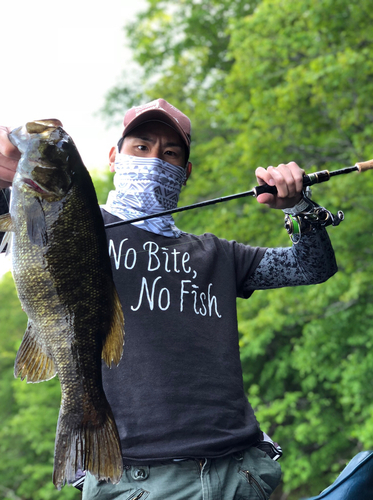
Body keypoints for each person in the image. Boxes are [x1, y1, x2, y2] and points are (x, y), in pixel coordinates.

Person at [0, 99, 337, 499]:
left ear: (186, 172)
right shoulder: (76, 221)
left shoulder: (218, 255)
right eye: (141, 147)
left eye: (171, 153)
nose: (155, 158)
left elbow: (311, 267)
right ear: (113, 157)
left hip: (238, 474)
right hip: (135, 481)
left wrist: (299, 205)